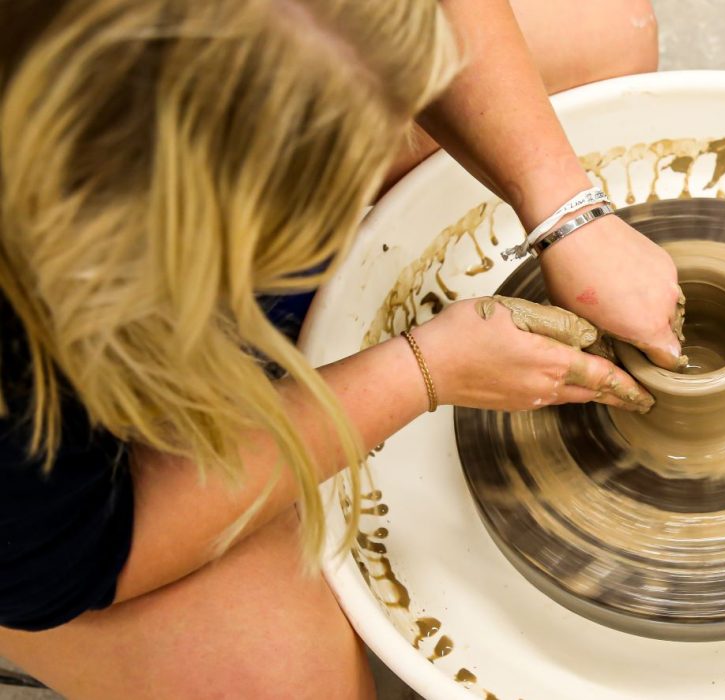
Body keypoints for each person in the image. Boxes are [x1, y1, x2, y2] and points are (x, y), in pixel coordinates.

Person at [0, 0, 678, 696]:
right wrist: (420, 370)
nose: (380, 172)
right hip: (48, 507)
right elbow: (64, 557)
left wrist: (563, 207)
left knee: (601, 39)